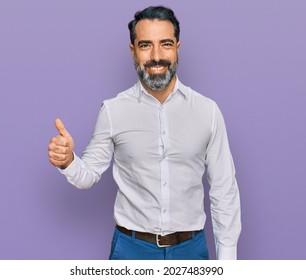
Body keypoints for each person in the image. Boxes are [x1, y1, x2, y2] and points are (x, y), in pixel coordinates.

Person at [48, 6, 241, 260]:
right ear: (133, 51)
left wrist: (228, 265)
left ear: (177, 48)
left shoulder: (208, 112)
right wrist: (68, 161)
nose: (157, 56)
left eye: (166, 44)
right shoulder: (113, 111)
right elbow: (88, 175)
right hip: (131, 250)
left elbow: (224, 191)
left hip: (191, 251)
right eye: (146, 45)